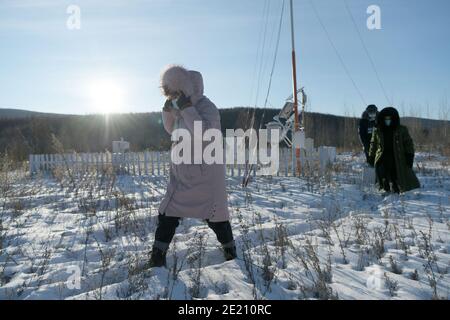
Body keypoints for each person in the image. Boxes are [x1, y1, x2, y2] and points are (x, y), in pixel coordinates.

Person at [149, 65, 236, 268]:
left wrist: (187, 108)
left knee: (216, 217)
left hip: (205, 176)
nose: (174, 95)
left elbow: (204, 134)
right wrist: (168, 110)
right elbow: (171, 129)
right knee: (167, 214)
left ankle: (231, 253)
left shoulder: (208, 107)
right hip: (182, 175)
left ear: (190, 87)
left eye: (177, 91)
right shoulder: (181, 108)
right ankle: (156, 259)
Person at [368, 107, 420, 193]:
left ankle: (396, 185)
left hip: (396, 156)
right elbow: (373, 144)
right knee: (381, 171)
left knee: (395, 172)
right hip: (382, 155)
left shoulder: (401, 130)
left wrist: (409, 155)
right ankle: (384, 186)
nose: (387, 121)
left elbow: (408, 143)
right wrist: (371, 155)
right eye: (386, 119)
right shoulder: (378, 130)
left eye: (389, 119)